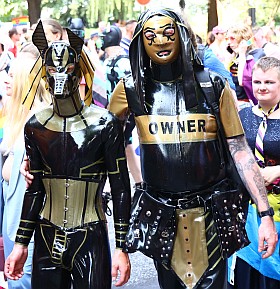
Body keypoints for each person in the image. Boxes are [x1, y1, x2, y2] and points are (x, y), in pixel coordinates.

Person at [108, 8, 277, 289]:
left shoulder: (213, 86)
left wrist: (264, 214)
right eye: (151, 35)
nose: (160, 40)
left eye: (168, 33)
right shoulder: (130, 89)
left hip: (213, 217)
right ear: (141, 40)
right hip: (161, 221)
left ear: (181, 35)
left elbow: (240, 150)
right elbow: (99, 146)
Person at [4, 21, 131, 289]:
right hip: (46, 237)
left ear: (78, 71)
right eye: (53, 69)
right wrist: (20, 243)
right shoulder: (35, 126)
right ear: (44, 72)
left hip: (90, 238)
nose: (60, 75)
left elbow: (121, 187)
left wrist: (122, 247)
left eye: (68, 68)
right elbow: (35, 188)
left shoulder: (104, 125)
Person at [0, 45, 51, 289]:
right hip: (14, 231)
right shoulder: (18, 118)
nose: (6, 79)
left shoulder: (40, 123)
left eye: (11, 74)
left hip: (29, 236)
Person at [227, 56, 280, 289]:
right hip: (247, 208)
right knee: (247, 273)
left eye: (269, 82)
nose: (262, 87)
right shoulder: (243, 115)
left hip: (278, 208)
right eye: (257, 81)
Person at [100, 25, 142, 185]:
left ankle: (121, 186)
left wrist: (127, 119)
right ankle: (139, 184)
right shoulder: (111, 60)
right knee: (126, 146)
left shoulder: (122, 62)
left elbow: (132, 88)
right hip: (114, 113)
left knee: (117, 149)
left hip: (123, 115)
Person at [226, 24, 265, 109]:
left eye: (232, 38)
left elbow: (242, 81)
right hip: (234, 101)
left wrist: (242, 53)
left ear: (243, 40)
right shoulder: (235, 56)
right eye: (227, 39)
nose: (229, 42)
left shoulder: (255, 56)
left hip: (248, 104)